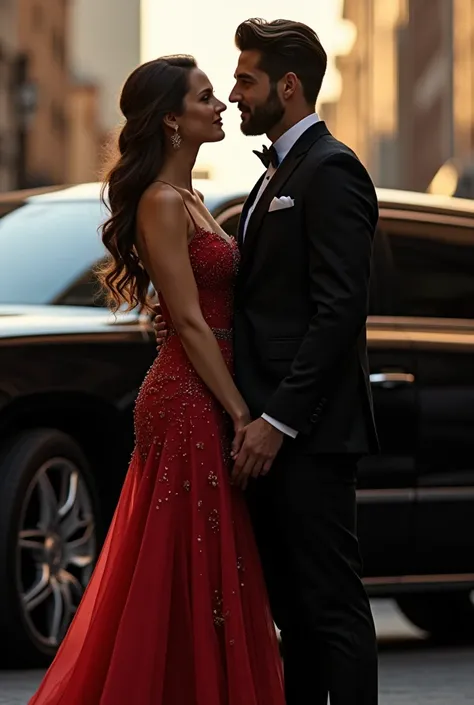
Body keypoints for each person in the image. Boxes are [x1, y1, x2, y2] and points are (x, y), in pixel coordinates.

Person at [28, 55, 285, 705]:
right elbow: (191, 323)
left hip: (207, 390)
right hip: (189, 399)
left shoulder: (196, 200)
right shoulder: (161, 203)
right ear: (172, 121)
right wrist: (239, 413)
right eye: (205, 97)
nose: (221, 104)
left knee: (209, 561)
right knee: (189, 559)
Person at [155, 18, 380, 705]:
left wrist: (276, 420)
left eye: (245, 80)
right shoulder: (273, 177)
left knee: (331, 608)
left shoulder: (332, 168)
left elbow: (338, 310)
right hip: (262, 438)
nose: (234, 93)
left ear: (288, 84)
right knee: (295, 615)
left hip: (305, 433)